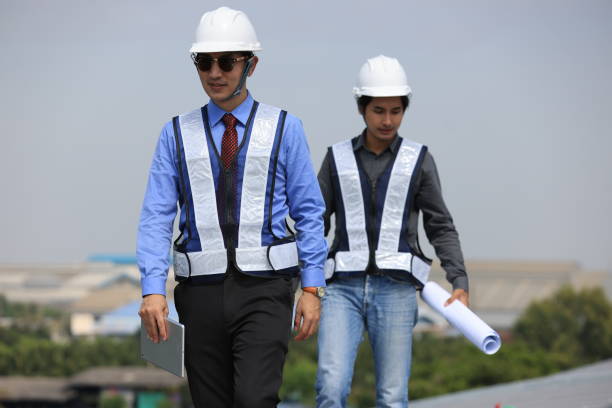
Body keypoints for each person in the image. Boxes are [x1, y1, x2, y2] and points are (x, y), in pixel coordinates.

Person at [136, 7, 327, 407]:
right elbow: (157, 215)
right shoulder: (174, 134)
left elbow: (309, 212)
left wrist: (312, 288)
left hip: (265, 290)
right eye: (204, 62)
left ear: (251, 65)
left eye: (226, 62)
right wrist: (153, 289)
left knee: (255, 399)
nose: (214, 72)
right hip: (199, 294)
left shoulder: (284, 127)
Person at [315, 55, 470, 408]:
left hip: (396, 291)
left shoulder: (419, 159)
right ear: (361, 108)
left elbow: (440, 224)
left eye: (396, 111)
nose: (388, 120)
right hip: (341, 290)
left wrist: (459, 281)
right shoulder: (336, 158)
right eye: (379, 110)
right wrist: (303, 283)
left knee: (392, 396)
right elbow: (315, 224)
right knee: (331, 384)